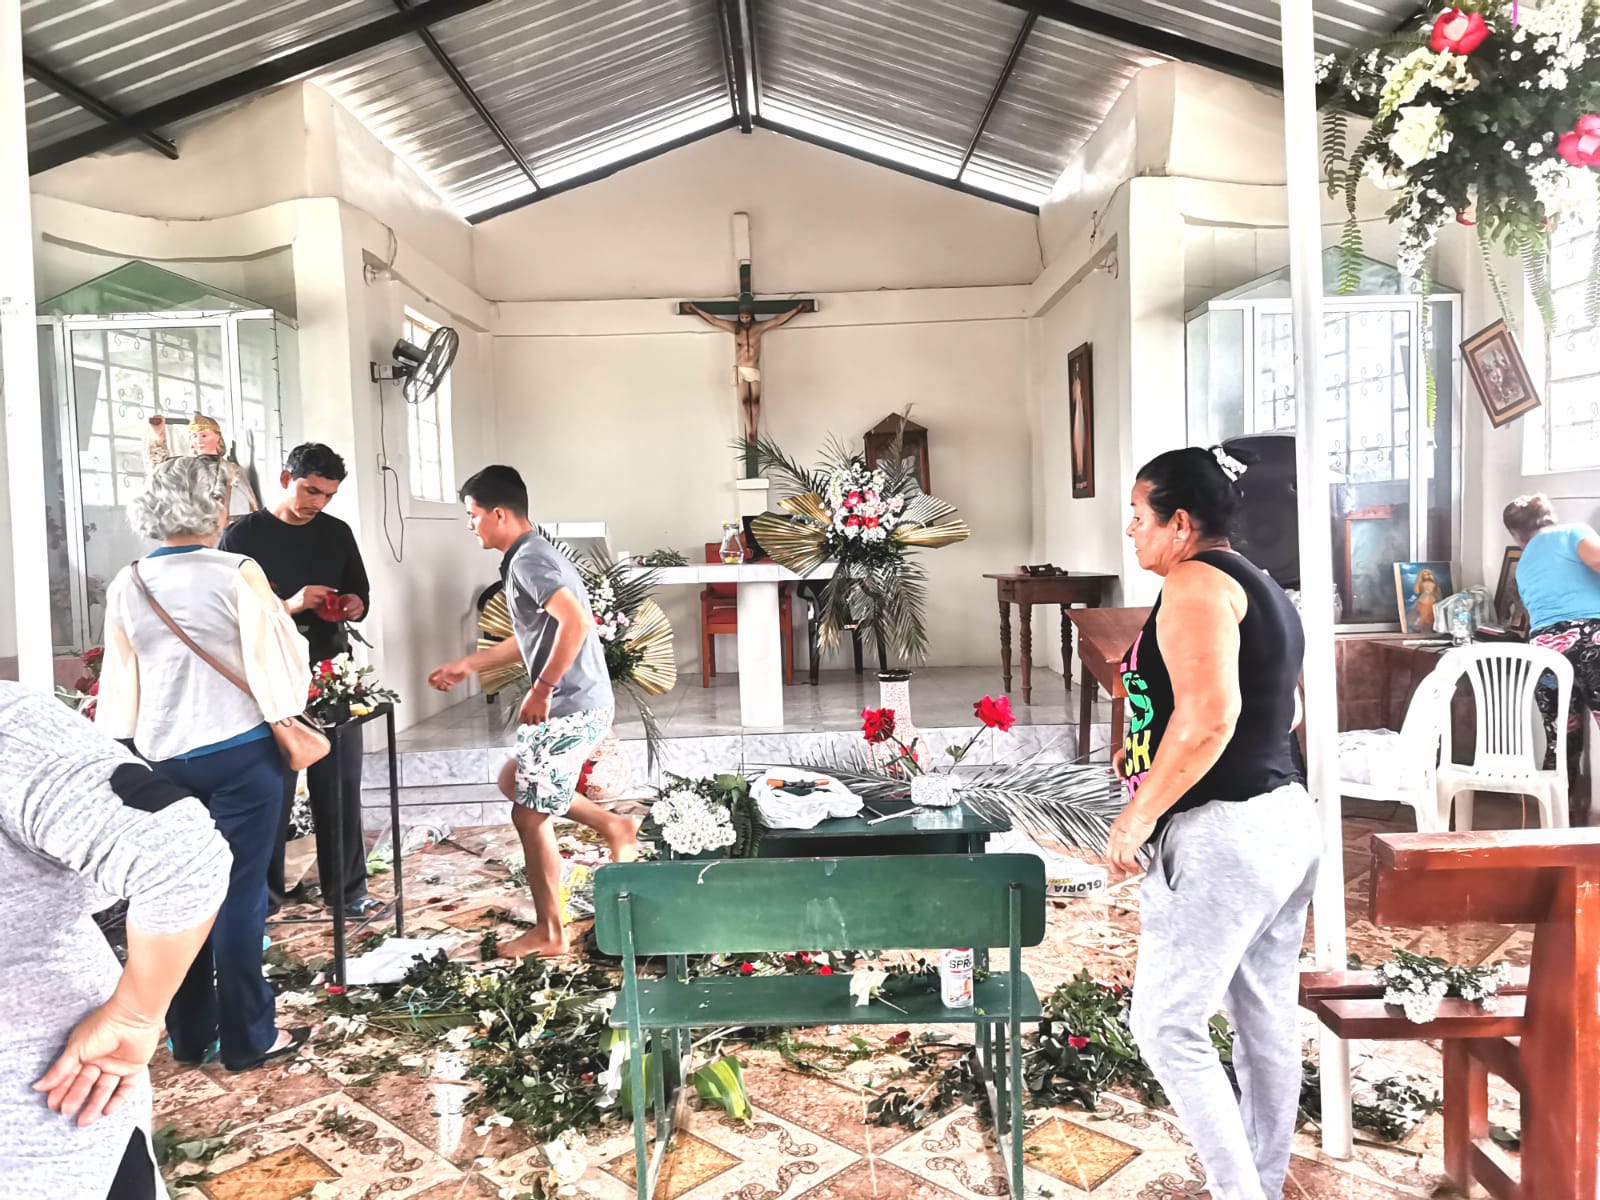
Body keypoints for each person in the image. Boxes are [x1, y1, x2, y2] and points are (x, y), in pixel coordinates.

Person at [1107, 447, 1318, 1200]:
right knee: (1264, 1023)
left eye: (1139, 516)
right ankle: (1261, 1184)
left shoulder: (1195, 584)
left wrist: (1137, 816)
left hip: (1224, 834)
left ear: (1180, 523)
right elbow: (1284, 710)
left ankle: (1238, 1191)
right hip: (1283, 822)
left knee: (1166, 1026)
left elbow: (1210, 718)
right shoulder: (1260, 584)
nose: (1131, 531)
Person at [98, 454, 313, 1075]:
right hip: (239, 752)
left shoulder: (129, 581)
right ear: (214, 507)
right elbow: (280, 660)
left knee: (178, 894)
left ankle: (189, 1035)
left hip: (161, 760)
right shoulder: (236, 571)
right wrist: (288, 711)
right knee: (238, 894)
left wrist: (123, 750)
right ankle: (249, 1037)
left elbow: (120, 680)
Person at [3, 682, 231, 1200]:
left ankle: (212, 1034)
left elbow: (180, 858)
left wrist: (136, 1014)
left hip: (43, 1111)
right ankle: (222, 1035)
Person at [428, 465, 639, 958]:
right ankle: (614, 827)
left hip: (570, 704)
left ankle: (550, 932)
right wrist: (469, 664)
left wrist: (542, 689)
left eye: (473, 515)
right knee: (514, 780)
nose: (470, 525)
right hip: (578, 700)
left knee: (527, 813)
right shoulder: (530, 554)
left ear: (499, 513)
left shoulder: (529, 560)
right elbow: (534, 635)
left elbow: (576, 623)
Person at [220, 443, 382, 919]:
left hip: (331, 672)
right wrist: (289, 605)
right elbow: (230, 615)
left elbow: (360, 591)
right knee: (273, 788)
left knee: (339, 784)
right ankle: (265, 899)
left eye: (328, 495)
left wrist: (354, 605)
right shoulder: (242, 536)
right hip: (268, 676)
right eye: (311, 490)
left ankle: (347, 891)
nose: (319, 502)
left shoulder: (336, 533)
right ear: (284, 478)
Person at [1503, 493, 1600, 815]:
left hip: (1544, 650)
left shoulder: (1523, 563)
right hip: (1591, 638)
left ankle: (1556, 817)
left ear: (1517, 535)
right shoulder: (1572, 532)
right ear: (1550, 518)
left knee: (1561, 733)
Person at [146, 412, 260, 522]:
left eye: (204, 435)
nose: (199, 440)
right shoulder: (186, 466)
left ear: (218, 437)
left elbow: (245, 506)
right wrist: (159, 436)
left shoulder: (230, 469)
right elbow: (161, 469)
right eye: (194, 436)